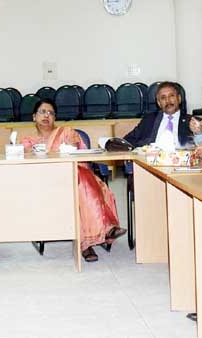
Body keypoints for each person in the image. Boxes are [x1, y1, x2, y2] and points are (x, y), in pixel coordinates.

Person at [20, 99, 126, 262]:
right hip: (47, 183)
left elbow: (79, 155)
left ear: (55, 118)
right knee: (81, 182)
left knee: (80, 179)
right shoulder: (27, 141)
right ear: (34, 117)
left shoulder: (67, 132)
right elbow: (26, 162)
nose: (47, 116)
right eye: (42, 112)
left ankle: (86, 242)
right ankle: (102, 231)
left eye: (51, 113)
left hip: (75, 176)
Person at [123, 82, 193, 148]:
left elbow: (201, 144)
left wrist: (199, 133)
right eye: (163, 98)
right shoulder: (149, 120)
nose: (168, 101)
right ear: (159, 103)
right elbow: (128, 140)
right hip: (151, 159)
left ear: (179, 99)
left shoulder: (191, 121)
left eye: (171, 96)